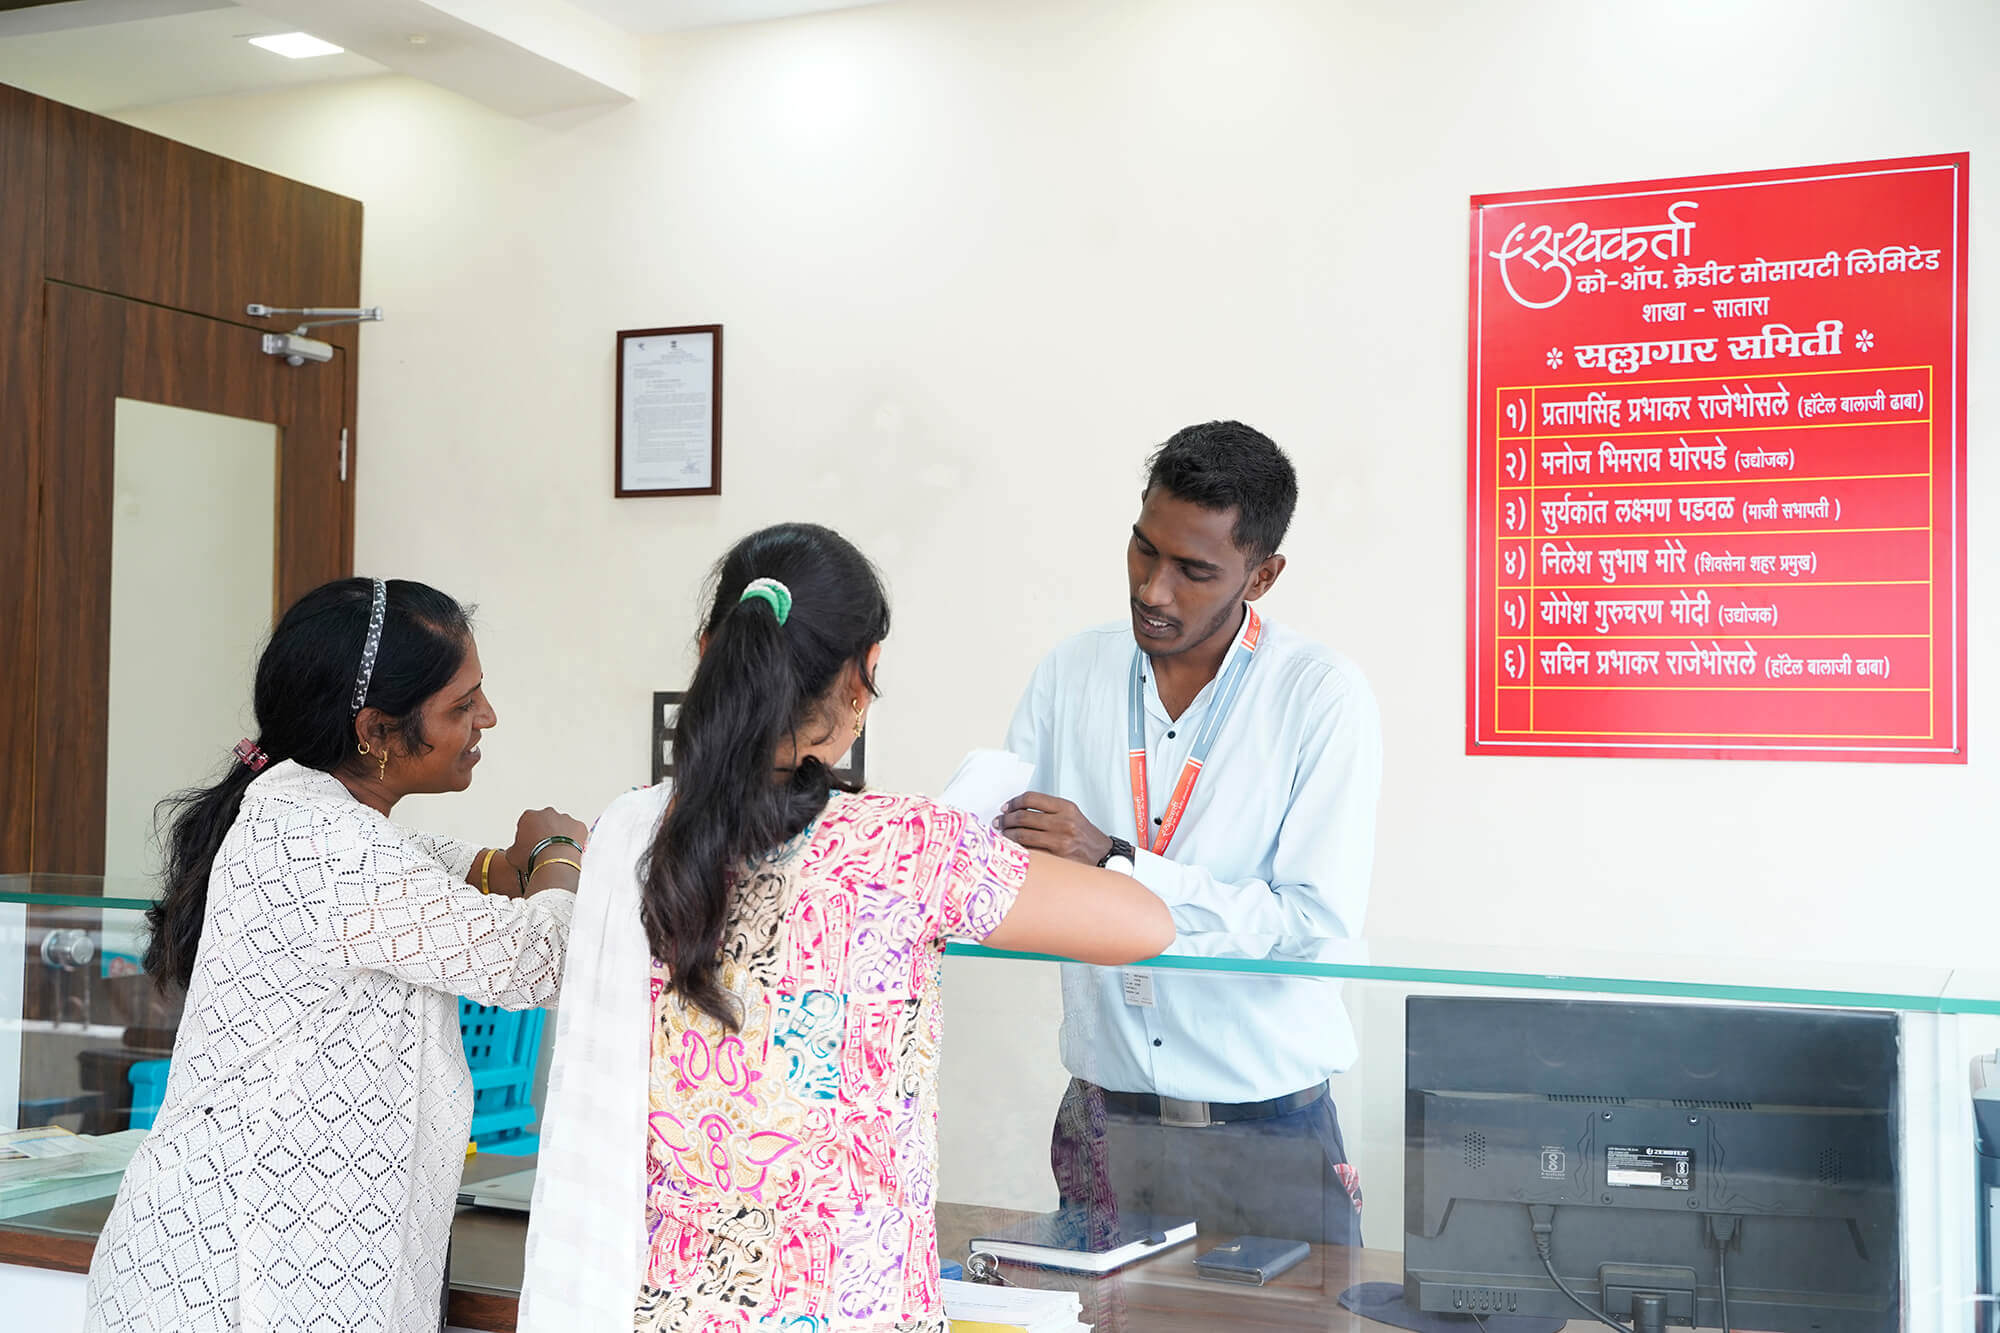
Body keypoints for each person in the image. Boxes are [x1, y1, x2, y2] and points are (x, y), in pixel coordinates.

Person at [519, 523, 1174, 1333]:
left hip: (658, 1306)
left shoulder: (633, 832)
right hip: (849, 1309)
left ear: (708, 653)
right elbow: (1146, 923)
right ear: (860, 684)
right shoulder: (906, 846)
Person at [85, 577, 587, 1333]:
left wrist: (512, 869)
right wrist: (559, 851)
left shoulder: (312, 807)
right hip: (235, 1280)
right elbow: (543, 961)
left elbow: (436, 872)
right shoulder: (326, 842)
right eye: (462, 705)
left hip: (269, 1261)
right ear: (376, 732)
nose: (487, 717)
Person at [1000, 420, 1382, 1247]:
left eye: (1194, 570)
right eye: (1144, 551)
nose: (1153, 590)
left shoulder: (1320, 698)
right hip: (1103, 1115)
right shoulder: (1071, 671)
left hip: (1268, 1131)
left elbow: (1312, 925)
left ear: (1264, 574)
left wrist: (1119, 863)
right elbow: (1003, 854)